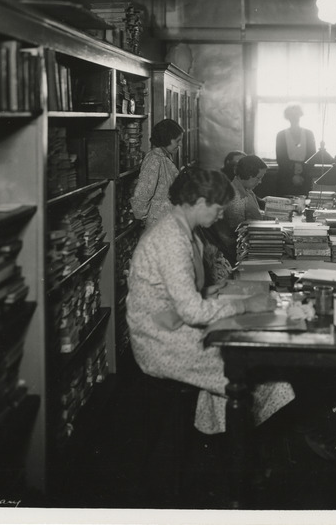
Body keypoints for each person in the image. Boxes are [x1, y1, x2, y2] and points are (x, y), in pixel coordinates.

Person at [126, 168, 295, 435]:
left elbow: (177, 295)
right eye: (218, 209)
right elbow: (191, 312)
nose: (221, 215)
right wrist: (245, 305)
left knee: (248, 353)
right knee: (259, 371)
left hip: (170, 327)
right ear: (200, 202)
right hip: (161, 342)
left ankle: (223, 440)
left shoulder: (182, 229)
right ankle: (240, 452)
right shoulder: (172, 239)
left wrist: (211, 292)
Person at [130, 119, 183, 230]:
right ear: (166, 139)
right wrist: (147, 218)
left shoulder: (165, 157)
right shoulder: (154, 159)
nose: (180, 144)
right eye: (177, 141)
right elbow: (142, 194)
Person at [275, 104, 316, 196]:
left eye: (296, 114)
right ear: (287, 117)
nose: (294, 117)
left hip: (305, 176)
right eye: (291, 115)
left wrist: (301, 173)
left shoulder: (309, 134)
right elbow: (280, 158)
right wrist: (293, 174)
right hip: (286, 176)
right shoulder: (281, 135)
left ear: (300, 115)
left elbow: (312, 156)